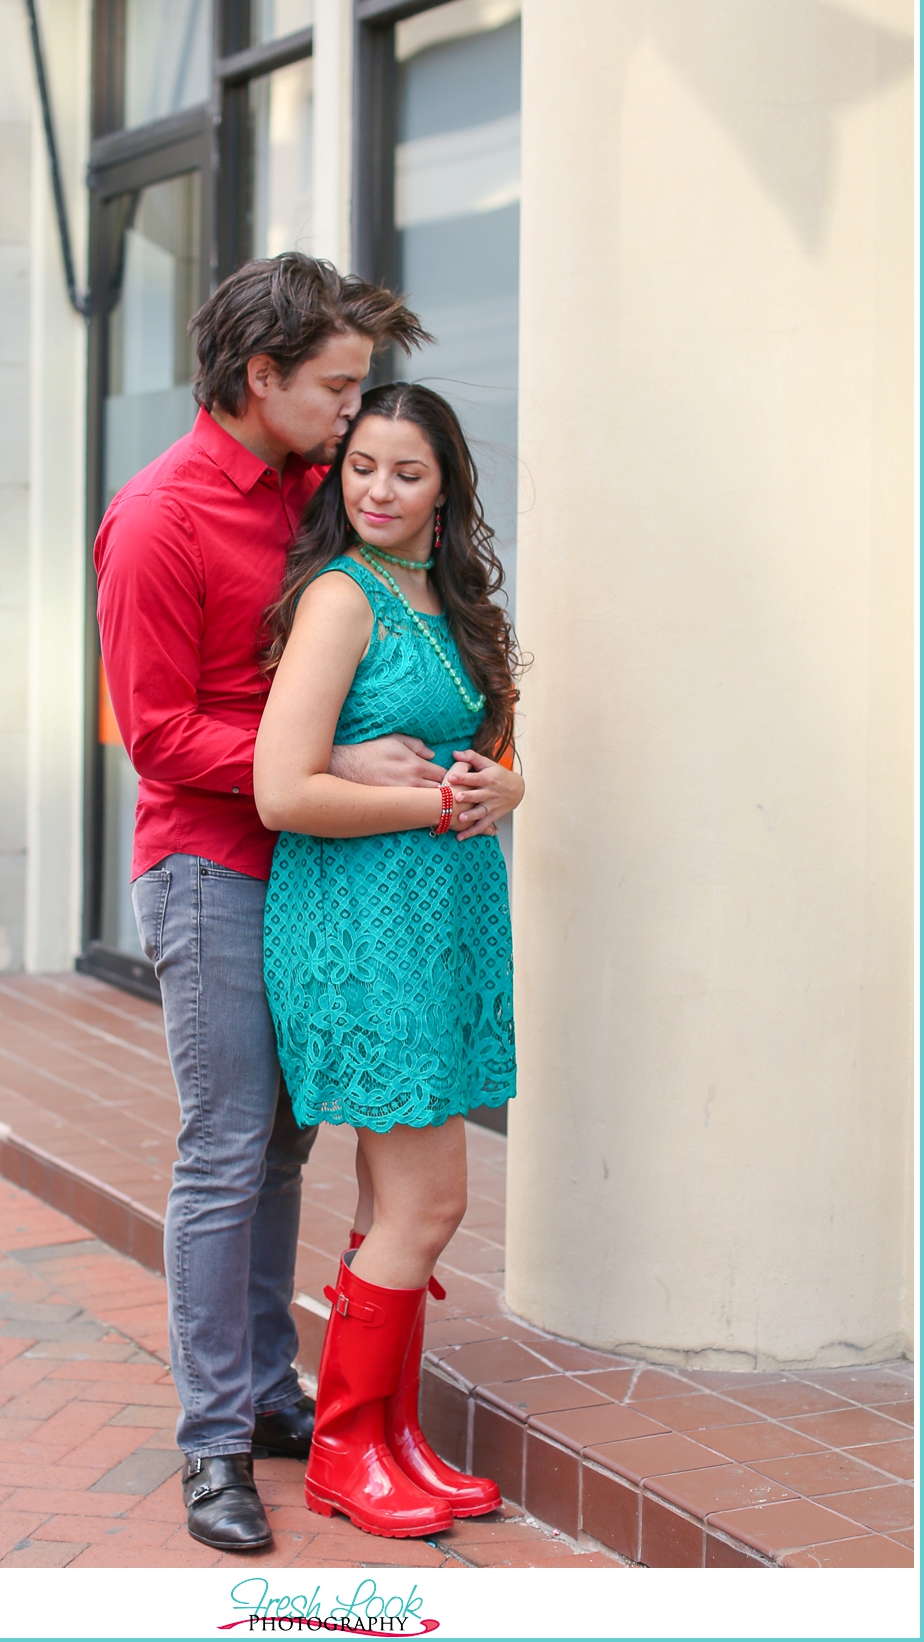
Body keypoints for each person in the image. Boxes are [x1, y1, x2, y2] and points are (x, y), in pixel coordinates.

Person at [94, 255, 439, 1552]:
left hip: (312, 867)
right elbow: (161, 732)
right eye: (338, 388)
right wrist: (318, 762)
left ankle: (263, 1389)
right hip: (211, 865)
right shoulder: (159, 517)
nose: (358, 417)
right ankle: (212, 1446)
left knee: (283, 1149)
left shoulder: (322, 495)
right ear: (262, 378)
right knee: (228, 1148)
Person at [255, 382, 524, 1538]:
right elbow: (283, 790)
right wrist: (425, 811)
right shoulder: (339, 598)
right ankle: (344, 1452)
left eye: (404, 472)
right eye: (360, 465)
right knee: (435, 1199)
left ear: (446, 487)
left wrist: (507, 783)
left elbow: (493, 747)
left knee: (387, 1202)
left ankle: (391, 1440)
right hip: (361, 928)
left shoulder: (448, 598)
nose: (375, 489)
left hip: (448, 924)